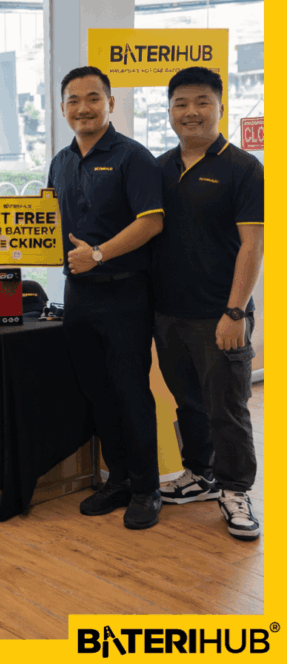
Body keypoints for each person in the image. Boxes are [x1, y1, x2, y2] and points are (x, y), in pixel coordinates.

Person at [47, 66, 165, 530]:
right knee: (97, 393)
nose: (83, 108)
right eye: (73, 100)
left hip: (125, 295)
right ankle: (117, 479)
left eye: (93, 98)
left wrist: (98, 254)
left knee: (131, 392)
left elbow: (151, 221)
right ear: (62, 109)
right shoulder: (60, 161)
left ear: (110, 103)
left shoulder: (134, 157)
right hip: (78, 296)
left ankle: (146, 488)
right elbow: (45, 226)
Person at [152, 66, 264, 540]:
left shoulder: (242, 168)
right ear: (170, 111)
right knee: (188, 403)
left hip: (221, 314)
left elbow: (252, 244)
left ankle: (236, 489)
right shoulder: (158, 168)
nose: (190, 112)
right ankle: (200, 474)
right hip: (169, 313)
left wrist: (235, 312)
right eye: (181, 104)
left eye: (201, 102)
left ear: (220, 107)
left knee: (229, 408)